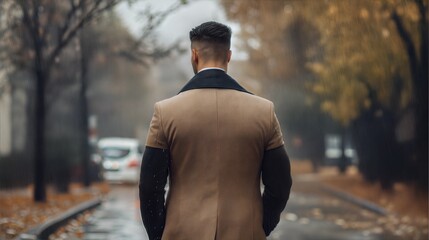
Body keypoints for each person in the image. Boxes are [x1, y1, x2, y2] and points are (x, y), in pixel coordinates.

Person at [139, 21, 292, 240]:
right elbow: (280, 184)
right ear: (228, 56)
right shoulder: (263, 111)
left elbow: (149, 186)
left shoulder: (165, 112)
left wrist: (159, 234)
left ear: (194, 55)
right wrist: (259, 226)